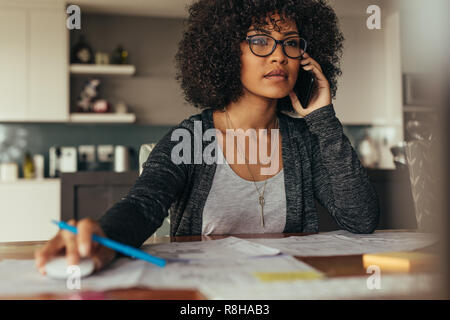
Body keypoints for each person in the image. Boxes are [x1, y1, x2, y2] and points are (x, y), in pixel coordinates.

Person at [35, 0, 380, 274]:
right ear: (229, 53)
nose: (279, 55)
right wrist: (104, 238)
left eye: (290, 43)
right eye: (260, 40)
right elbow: (143, 205)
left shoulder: (306, 140)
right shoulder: (189, 139)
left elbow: (361, 219)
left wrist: (324, 118)